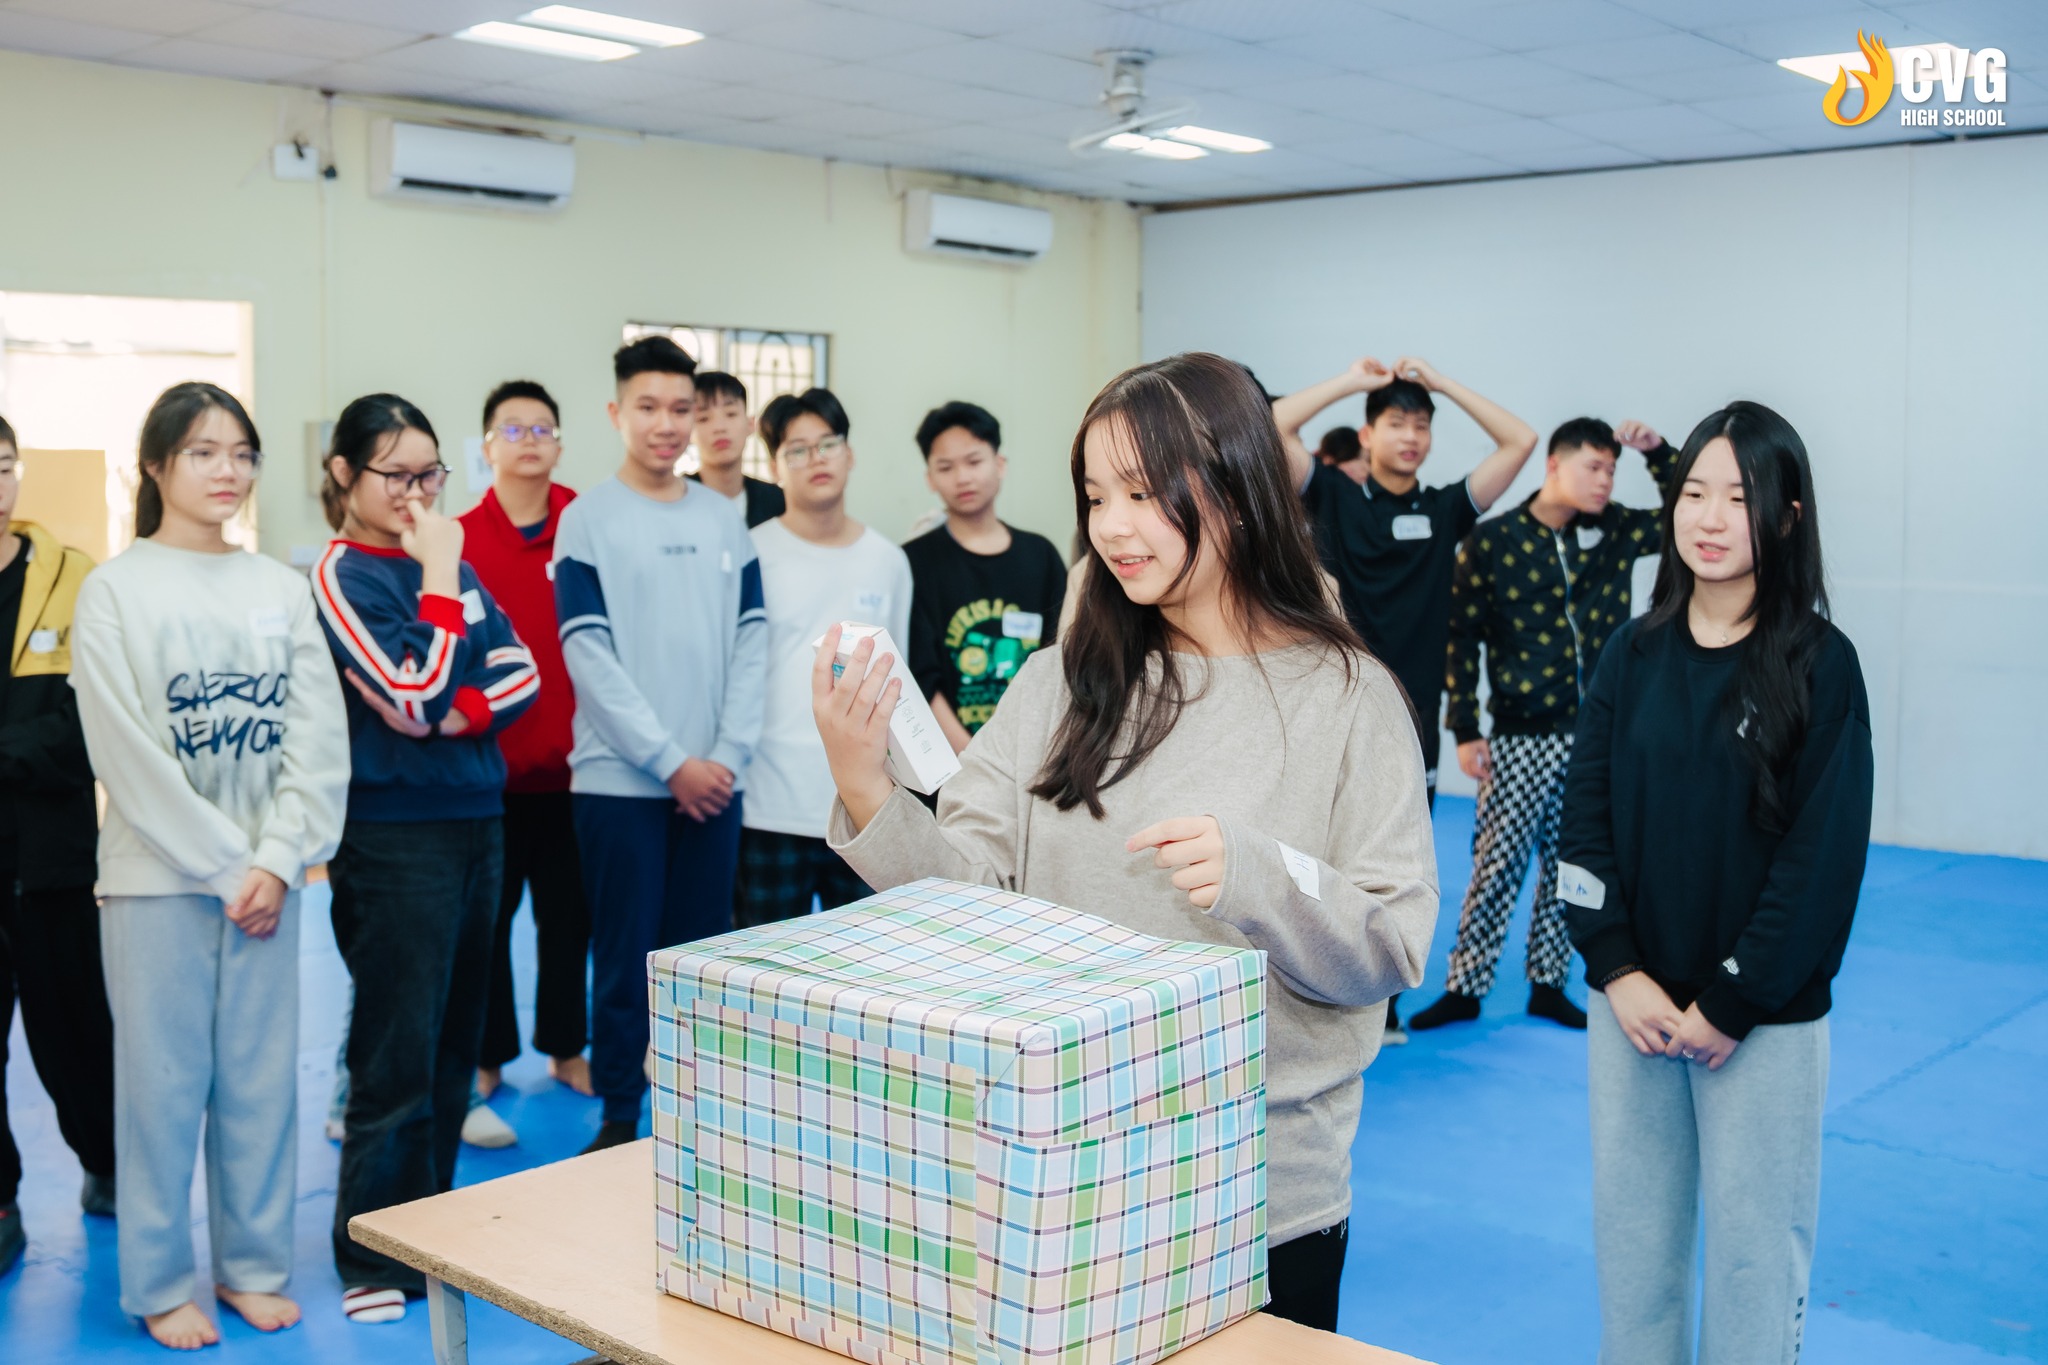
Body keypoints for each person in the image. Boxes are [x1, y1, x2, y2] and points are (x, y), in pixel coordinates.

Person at [815, 352, 1438, 1332]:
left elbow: (1390, 946)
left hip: (1254, 1195)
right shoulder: (1057, 683)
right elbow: (960, 906)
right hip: (1048, 1170)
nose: (1110, 525)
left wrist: (1259, 878)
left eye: (1143, 493)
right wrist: (866, 786)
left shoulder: (1348, 698)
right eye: (1097, 495)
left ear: (1237, 487)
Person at [1559, 401, 1871, 1364]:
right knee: (1634, 1255)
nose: (1709, 517)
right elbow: (1584, 824)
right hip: (1635, 1011)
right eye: (1695, 491)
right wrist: (1617, 969)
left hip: (1761, 1022)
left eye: (1739, 497)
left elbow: (1820, 865)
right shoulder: (1632, 653)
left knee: (1753, 1262)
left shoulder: (1822, 665)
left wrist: (1734, 1000)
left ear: (1787, 515)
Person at [71, 383, 350, 1349]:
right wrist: (235, 868)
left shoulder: (278, 586)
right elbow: (126, 755)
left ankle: (253, 1267)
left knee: (262, 1083)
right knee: (160, 1087)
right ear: (155, 467)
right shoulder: (116, 588)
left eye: (241, 452)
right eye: (202, 452)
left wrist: (277, 858)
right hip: (158, 882)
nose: (227, 470)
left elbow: (316, 739)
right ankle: (157, 1283)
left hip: (270, 883)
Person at [313, 394, 538, 1325]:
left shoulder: (451, 565)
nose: (416, 494)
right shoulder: (345, 574)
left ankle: (427, 1230)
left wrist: (456, 718)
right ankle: (369, 1252)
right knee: (394, 1051)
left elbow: (519, 672)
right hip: (394, 835)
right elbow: (414, 691)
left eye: (429, 474)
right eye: (395, 475)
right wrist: (442, 577)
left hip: (478, 818)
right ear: (344, 474)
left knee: (453, 1044)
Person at [1273, 355, 1537, 1040]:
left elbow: (1521, 441)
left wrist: (1443, 382)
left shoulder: (1445, 509)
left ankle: (1384, 1005)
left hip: (1413, 713)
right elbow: (1271, 426)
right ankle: (1320, 991)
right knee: (1324, 845)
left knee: (1399, 862)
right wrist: (1352, 381)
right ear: (1367, 434)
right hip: (1333, 702)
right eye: (1396, 422)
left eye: (1421, 425)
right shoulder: (1334, 496)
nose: (1411, 436)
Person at [553, 337, 765, 1154]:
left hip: (717, 782)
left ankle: (694, 1117)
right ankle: (617, 1114)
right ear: (617, 413)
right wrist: (671, 762)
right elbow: (588, 655)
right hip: (620, 785)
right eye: (649, 407)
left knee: (700, 961)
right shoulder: (586, 519)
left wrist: (725, 757)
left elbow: (753, 643)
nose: (667, 423)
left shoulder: (723, 519)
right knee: (624, 957)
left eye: (682, 408)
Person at [1409, 416, 1682, 1033]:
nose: (1605, 481)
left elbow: (1680, 518)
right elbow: (1462, 638)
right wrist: (1465, 728)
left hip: (1599, 733)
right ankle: (1465, 986)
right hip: (1520, 731)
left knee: (1573, 863)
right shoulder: (1493, 541)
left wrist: (1658, 453)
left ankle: (1549, 982)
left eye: (1612, 469)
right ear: (1554, 465)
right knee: (1497, 863)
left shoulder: (1616, 530)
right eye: (1594, 467)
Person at [458, 380, 594, 1132]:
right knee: (485, 923)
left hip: (579, 775)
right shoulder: (458, 539)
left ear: (561, 443)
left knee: (568, 922)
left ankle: (566, 1048)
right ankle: (486, 1056)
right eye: (513, 429)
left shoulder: (587, 525)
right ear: (487, 447)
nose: (529, 440)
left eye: (542, 427)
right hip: (490, 777)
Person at [0, 417, 116, 1278]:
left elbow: (92, 728)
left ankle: (107, 1160)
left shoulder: (76, 579)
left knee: (76, 1033)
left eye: (2, 464)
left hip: (53, 861)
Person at [739, 388, 910, 926]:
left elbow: (897, 689)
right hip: (769, 803)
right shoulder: (752, 553)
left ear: (849, 454)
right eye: (797, 449)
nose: (816, 459)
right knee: (763, 967)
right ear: (774, 467)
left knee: (866, 967)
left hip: (863, 807)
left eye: (827, 444)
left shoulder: (887, 561)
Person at [903, 401, 1068, 754]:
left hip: (1035, 753)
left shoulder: (1040, 556)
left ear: (999, 464)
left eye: (974, 461)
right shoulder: (914, 562)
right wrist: (971, 760)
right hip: (951, 761)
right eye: (946, 467)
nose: (962, 477)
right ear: (930, 478)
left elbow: (1061, 660)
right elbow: (920, 675)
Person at [687, 370, 785, 527]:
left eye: (730, 414)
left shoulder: (778, 502)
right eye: (704, 418)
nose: (719, 427)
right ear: (688, 431)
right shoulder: (674, 498)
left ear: (750, 424)